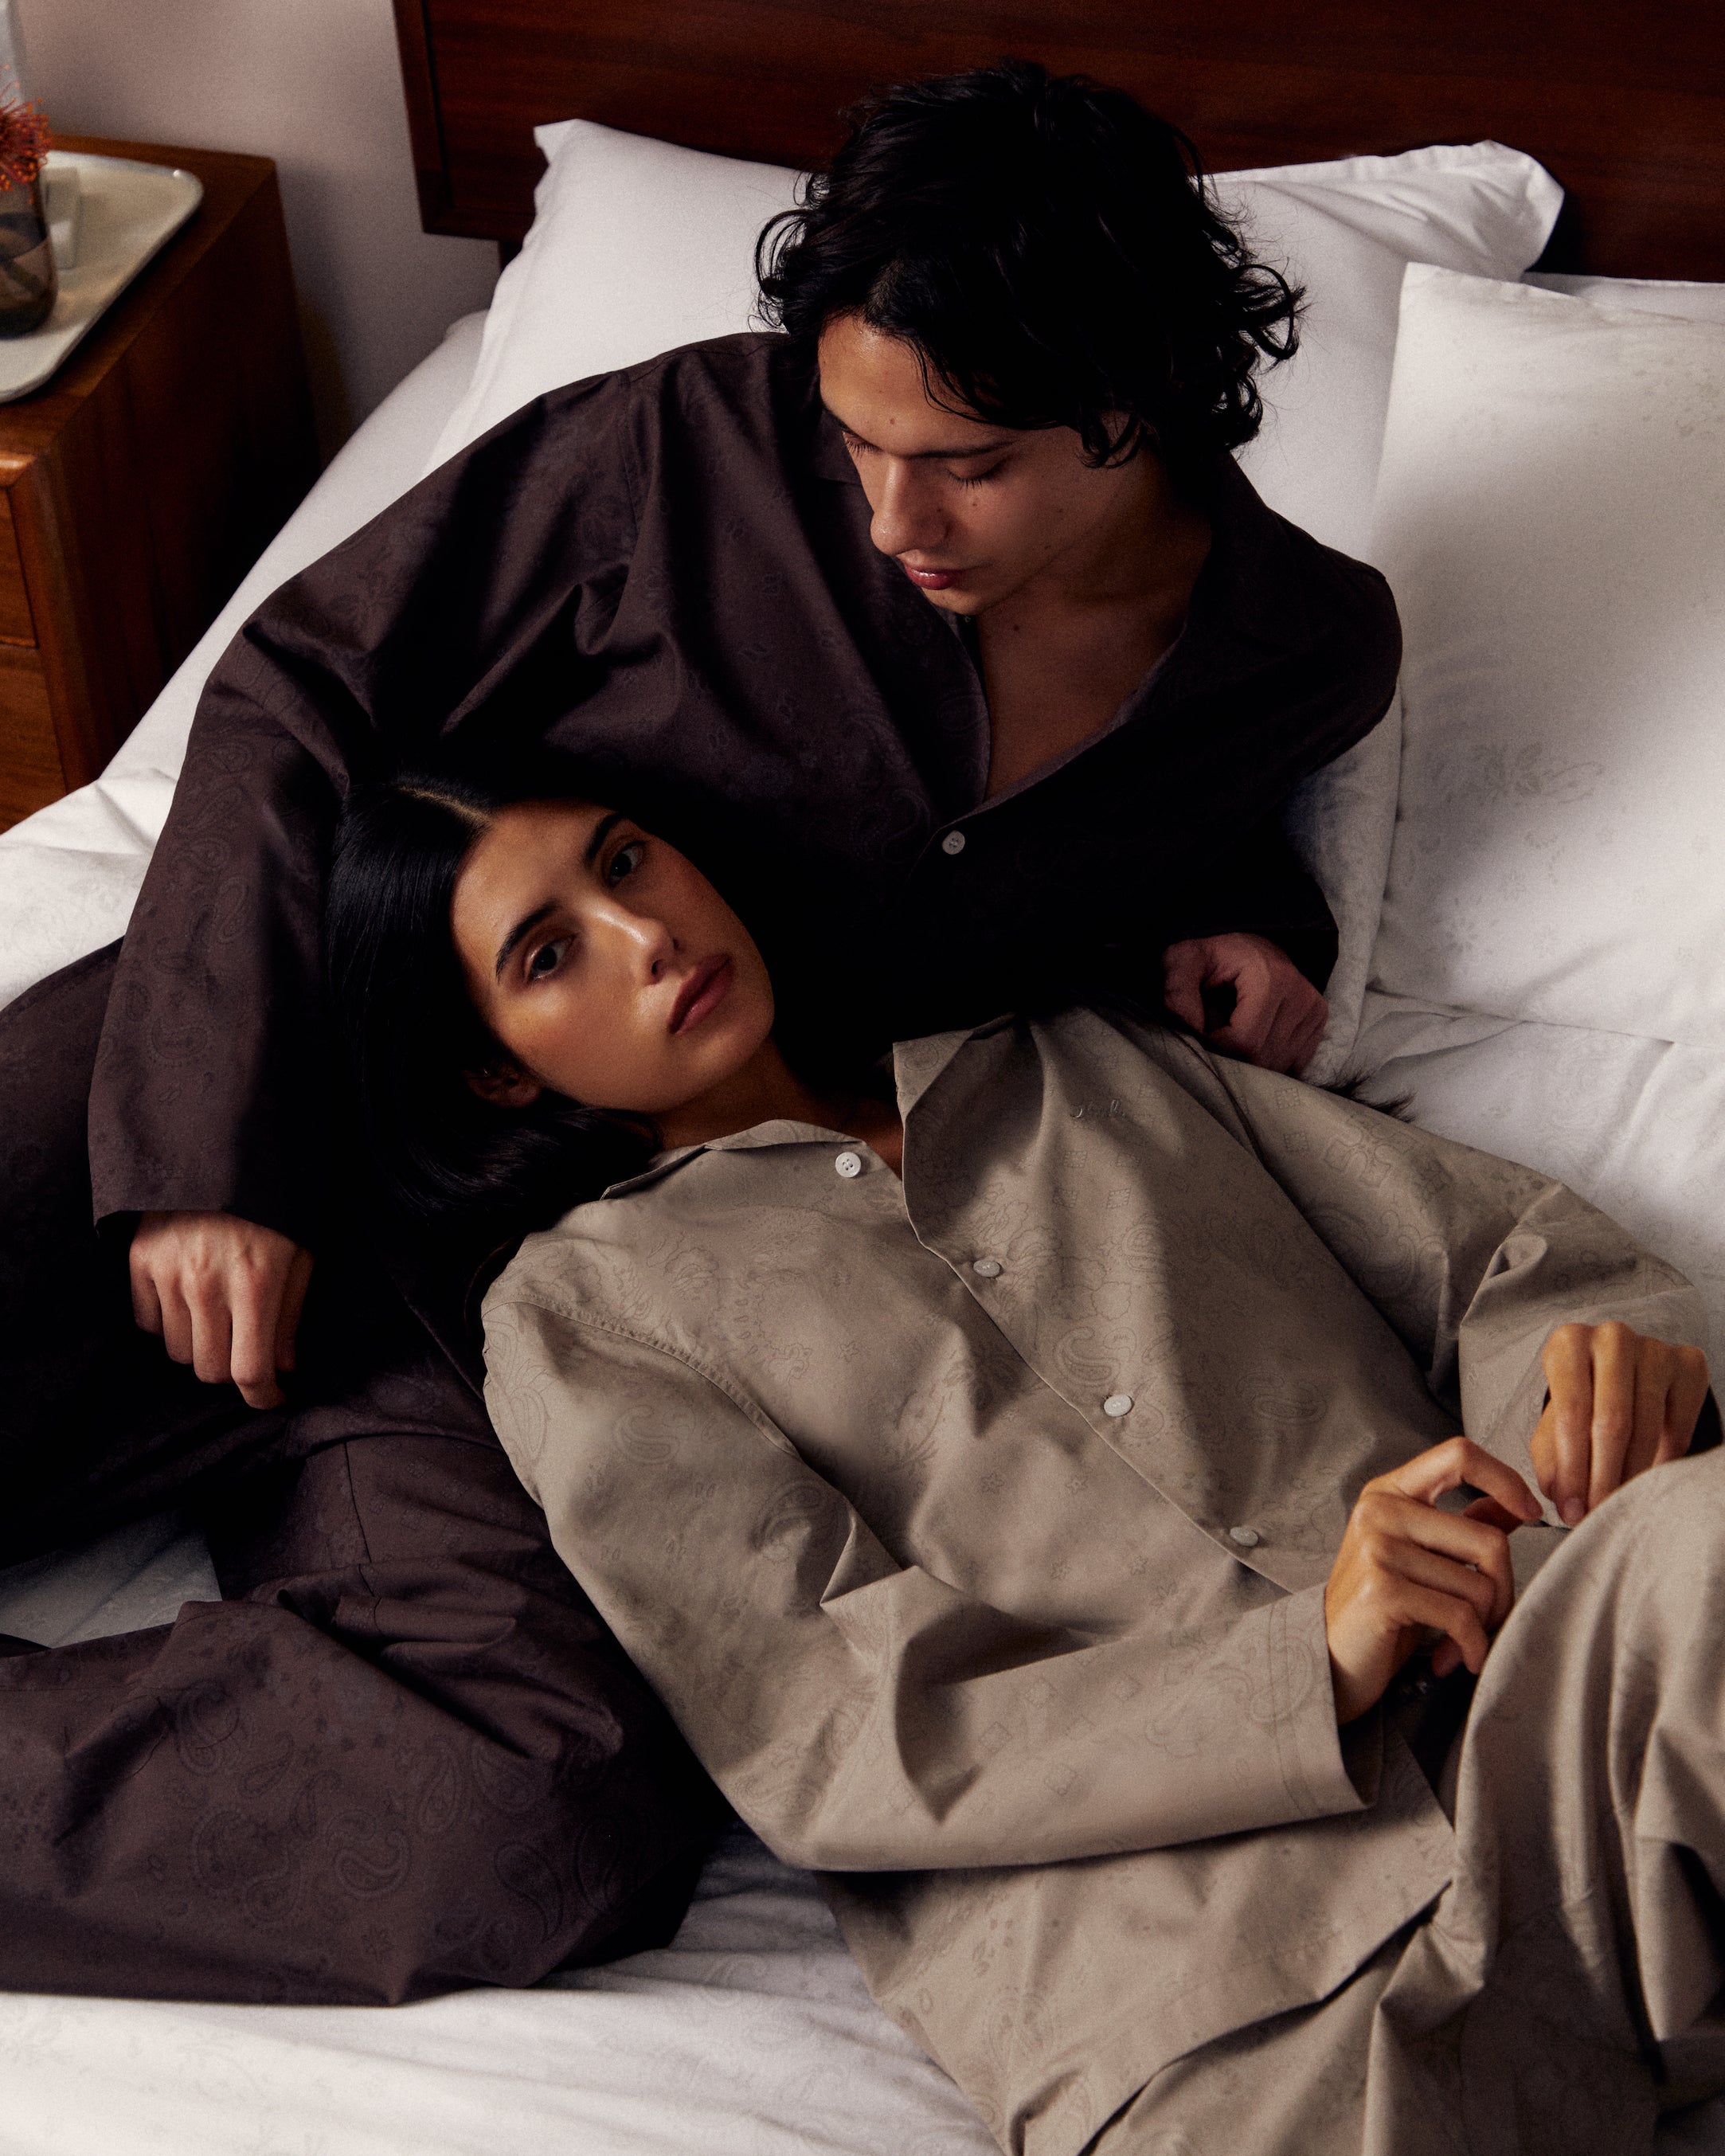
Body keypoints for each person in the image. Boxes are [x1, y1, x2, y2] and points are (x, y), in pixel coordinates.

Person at [0, 61, 1398, 2001]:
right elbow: (302, 687)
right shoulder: (684, 458)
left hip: (532, 1299)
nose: (893, 515)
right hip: (241, 1074)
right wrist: (201, 1148)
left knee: (539, 1807)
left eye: (969, 462)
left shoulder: (1295, 656)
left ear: (1139, 397)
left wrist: (1255, 918)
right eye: (857, 440)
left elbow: (1130, 830)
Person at [327, 764, 1723, 2156]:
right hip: (1222, 2002)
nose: (645, 938)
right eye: (549, 954)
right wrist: (1307, 1663)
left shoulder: (1074, 1059)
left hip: (1548, 1719)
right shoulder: (580, 1318)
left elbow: (1497, 1258)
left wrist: (1579, 1397)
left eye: (626, 861)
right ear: (498, 1067)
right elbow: (828, 1730)